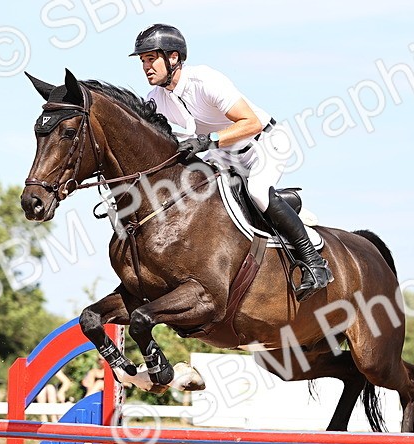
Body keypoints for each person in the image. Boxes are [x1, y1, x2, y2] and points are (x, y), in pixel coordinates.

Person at [130, 23, 332, 301]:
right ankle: (283, 207)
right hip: (222, 156)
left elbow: (250, 122)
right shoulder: (156, 99)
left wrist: (209, 140)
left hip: (263, 143)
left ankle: (315, 264)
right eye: (143, 61)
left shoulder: (205, 81)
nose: (146, 67)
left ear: (173, 58)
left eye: (151, 58)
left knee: (258, 191)